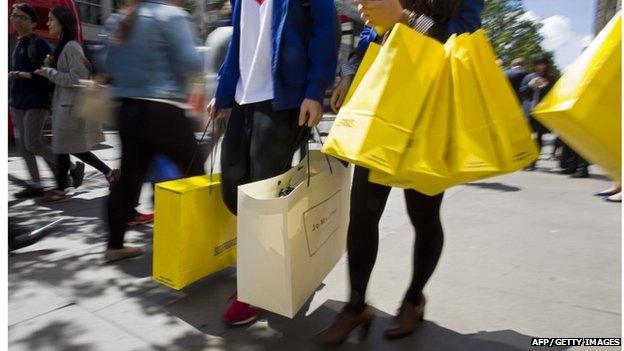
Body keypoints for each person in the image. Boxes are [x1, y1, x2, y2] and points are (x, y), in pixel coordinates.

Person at [320, 0, 484, 345]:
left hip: (430, 105)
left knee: (423, 214)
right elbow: (371, 31)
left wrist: (406, 18)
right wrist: (350, 72)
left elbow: (463, 38)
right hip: (383, 102)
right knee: (363, 211)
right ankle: (355, 306)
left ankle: (414, 298)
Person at [207, 0, 338, 326]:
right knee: (233, 191)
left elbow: (325, 31)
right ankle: (276, 262)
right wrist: (222, 93)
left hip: (283, 101)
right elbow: (239, 42)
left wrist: (314, 90)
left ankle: (256, 289)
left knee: (262, 202)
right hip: (242, 98)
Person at [102, 0, 205, 263]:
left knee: (129, 177)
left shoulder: (119, 18)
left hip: (127, 110)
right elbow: (191, 62)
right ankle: (203, 239)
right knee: (195, 171)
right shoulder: (170, 15)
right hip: (164, 109)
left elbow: (107, 64)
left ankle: (115, 245)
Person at [34, 7, 116, 203]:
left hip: (69, 107)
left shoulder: (71, 46)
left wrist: (48, 71)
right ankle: (109, 173)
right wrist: (51, 65)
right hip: (64, 105)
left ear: (62, 22)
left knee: (62, 147)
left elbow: (75, 78)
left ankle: (61, 189)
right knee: (69, 147)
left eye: (52, 20)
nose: (48, 23)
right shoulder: (64, 46)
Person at [9, 3, 84, 198]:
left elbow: (44, 75)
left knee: (32, 143)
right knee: (23, 145)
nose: (15, 19)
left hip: (36, 101)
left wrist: (17, 74)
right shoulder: (18, 43)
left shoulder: (39, 44)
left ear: (33, 23)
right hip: (17, 101)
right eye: (13, 15)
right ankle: (38, 182)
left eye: (21, 17)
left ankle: (69, 167)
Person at [519, 55, 554, 171]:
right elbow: (522, 92)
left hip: (541, 113)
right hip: (528, 112)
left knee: (538, 137)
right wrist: (531, 85)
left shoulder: (551, 78)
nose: (540, 66)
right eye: (538, 64)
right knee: (525, 137)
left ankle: (532, 162)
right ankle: (524, 160)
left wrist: (545, 86)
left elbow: (554, 95)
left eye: (543, 64)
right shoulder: (529, 77)